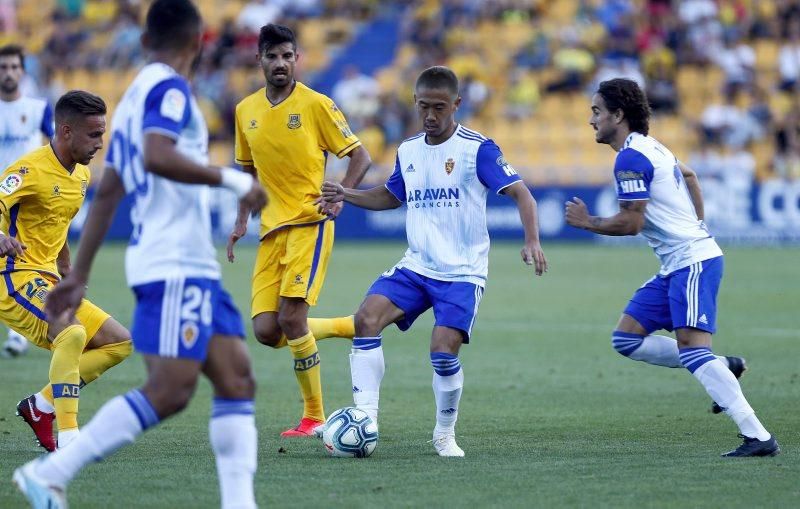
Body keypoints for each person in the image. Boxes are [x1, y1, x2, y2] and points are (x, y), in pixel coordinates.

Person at [13, 1, 267, 508]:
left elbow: (109, 191)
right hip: (174, 263)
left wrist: (77, 276)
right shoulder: (170, 89)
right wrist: (234, 179)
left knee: (237, 377)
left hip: (189, 263)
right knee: (171, 390)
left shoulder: (130, 100)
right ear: (198, 41)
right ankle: (51, 472)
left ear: (146, 41)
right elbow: (155, 155)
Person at [318, 66, 548, 457]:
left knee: (442, 352)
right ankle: (366, 418)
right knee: (366, 318)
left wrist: (532, 241)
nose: (430, 115)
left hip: (461, 273)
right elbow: (391, 196)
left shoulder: (478, 149)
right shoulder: (408, 149)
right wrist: (345, 193)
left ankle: (444, 433)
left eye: (439, 107)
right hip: (416, 266)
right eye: (423, 106)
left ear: (456, 104)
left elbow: (523, 195)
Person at [564, 78, 779, 457]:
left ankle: (758, 436)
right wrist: (697, 224)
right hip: (678, 263)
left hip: (691, 262)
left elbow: (630, 223)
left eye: (597, 111)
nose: (591, 120)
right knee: (626, 339)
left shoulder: (630, 158)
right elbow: (691, 176)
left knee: (694, 351)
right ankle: (723, 366)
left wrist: (588, 222)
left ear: (618, 114)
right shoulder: (652, 148)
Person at [228, 23, 372, 437]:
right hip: (271, 230)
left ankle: (314, 417)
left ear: (297, 59)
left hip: (311, 223)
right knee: (266, 331)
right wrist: (241, 221)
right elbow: (247, 171)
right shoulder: (245, 111)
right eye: (272, 56)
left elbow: (359, 155)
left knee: (293, 318)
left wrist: (342, 193)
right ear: (259, 59)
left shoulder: (317, 105)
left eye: (287, 56)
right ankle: (348, 325)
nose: (280, 63)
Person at [0, 89, 132, 452]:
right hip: (12, 277)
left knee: (119, 342)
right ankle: (72, 436)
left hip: (48, 279)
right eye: (94, 134)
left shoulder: (82, 176)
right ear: (66, 132)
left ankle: (41, 406)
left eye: (102, 133)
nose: (100, 143)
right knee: (71, 333)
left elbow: (56, 226)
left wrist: (70, 273)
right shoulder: (28, 170)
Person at [0, 44, 55, 358]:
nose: (8, 73)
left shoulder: (38, 109)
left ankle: (17, 333)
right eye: (3, 67)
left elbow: (54, 147)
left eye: (13, 67)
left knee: (20, 262)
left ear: (22, 71)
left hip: (27, 201)